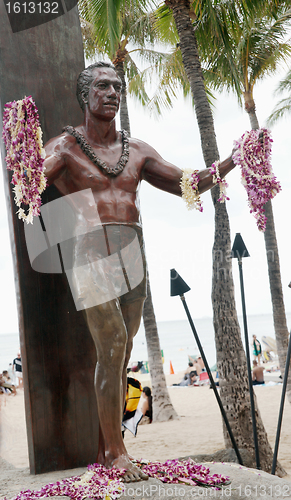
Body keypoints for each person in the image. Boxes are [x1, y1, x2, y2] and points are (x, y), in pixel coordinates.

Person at [43, 61, 237, 481]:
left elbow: (187, 182)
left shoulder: (139, 150)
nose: (112, 92)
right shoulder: (64, 147)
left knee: (122, 349)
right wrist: (20, 148)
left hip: (133, 250)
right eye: (102, 86)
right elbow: (28, 183)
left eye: (117, 86)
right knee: (112, 342)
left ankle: (107, 440)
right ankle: (115, 452)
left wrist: (233, 160)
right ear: (85, 95)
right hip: (88, 249)